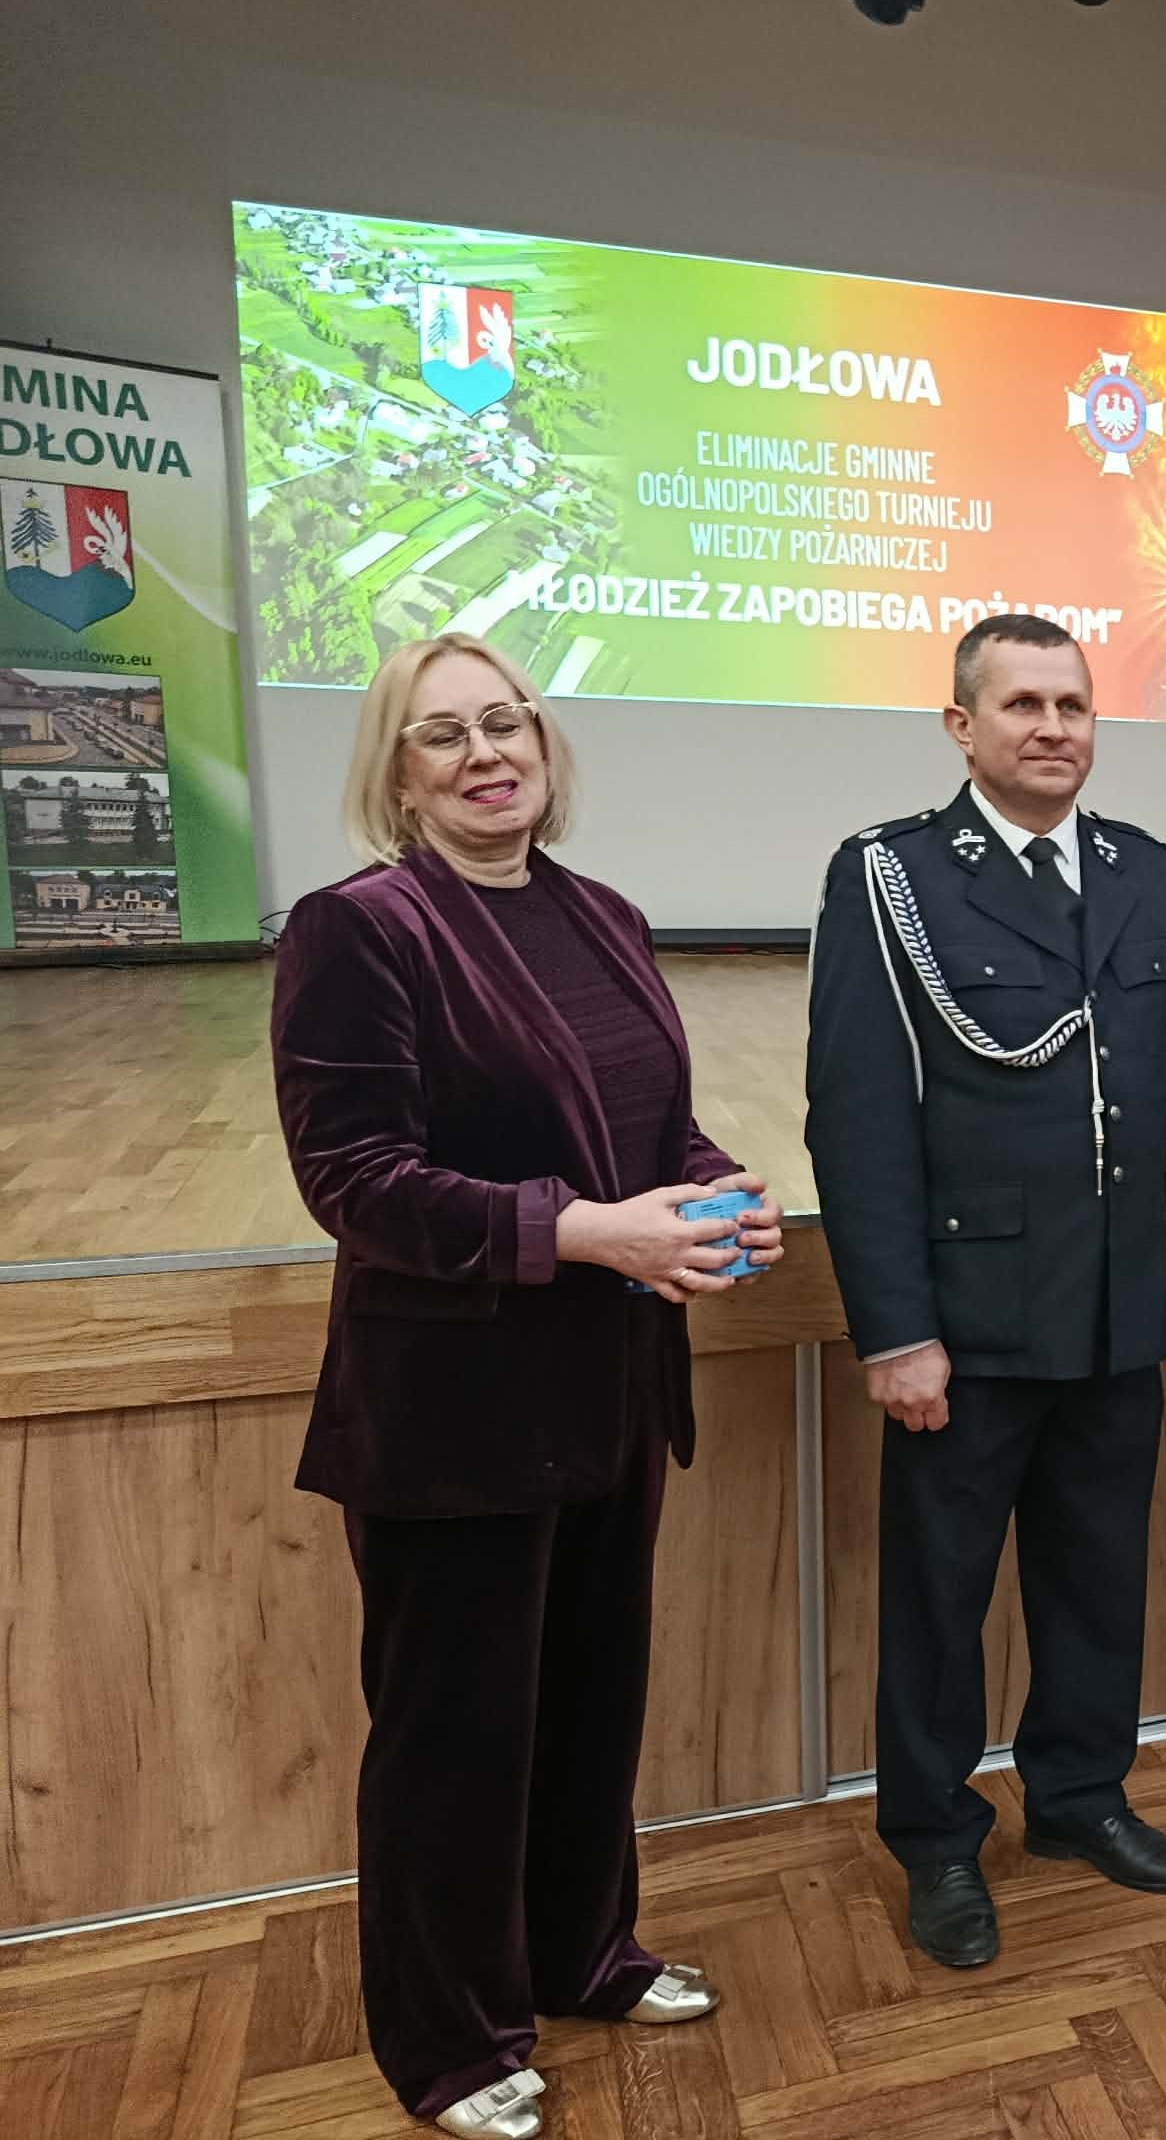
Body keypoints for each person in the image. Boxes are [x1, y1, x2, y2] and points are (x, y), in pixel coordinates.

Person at [271, 633, 783, 2140]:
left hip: (609, 1383)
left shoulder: (600, 913)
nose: (486, 753)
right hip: (454, 1411)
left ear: (546, 745)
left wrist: (717, 1193)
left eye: (507, 722)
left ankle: (582, 1955)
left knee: (588, 1701)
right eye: (444, 735)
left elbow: (650, 1125)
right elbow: (355, 1179)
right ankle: (449, 2042)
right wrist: (584, 1233)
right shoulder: (361, 930)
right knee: (454, 1740)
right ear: (397, 774)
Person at [806, 613, 1166, 1973]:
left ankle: (1078, 1797)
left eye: (1073, 704)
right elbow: (857, 1121)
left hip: (1118, 1307)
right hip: (972, 1314)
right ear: (962, 725)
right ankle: (937, 1839)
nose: (1054, 728)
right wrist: (896, 1330)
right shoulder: (891, 876)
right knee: (941, 1600)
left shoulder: (1147, 872)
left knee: (1098, 1575)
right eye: (1023, 705)